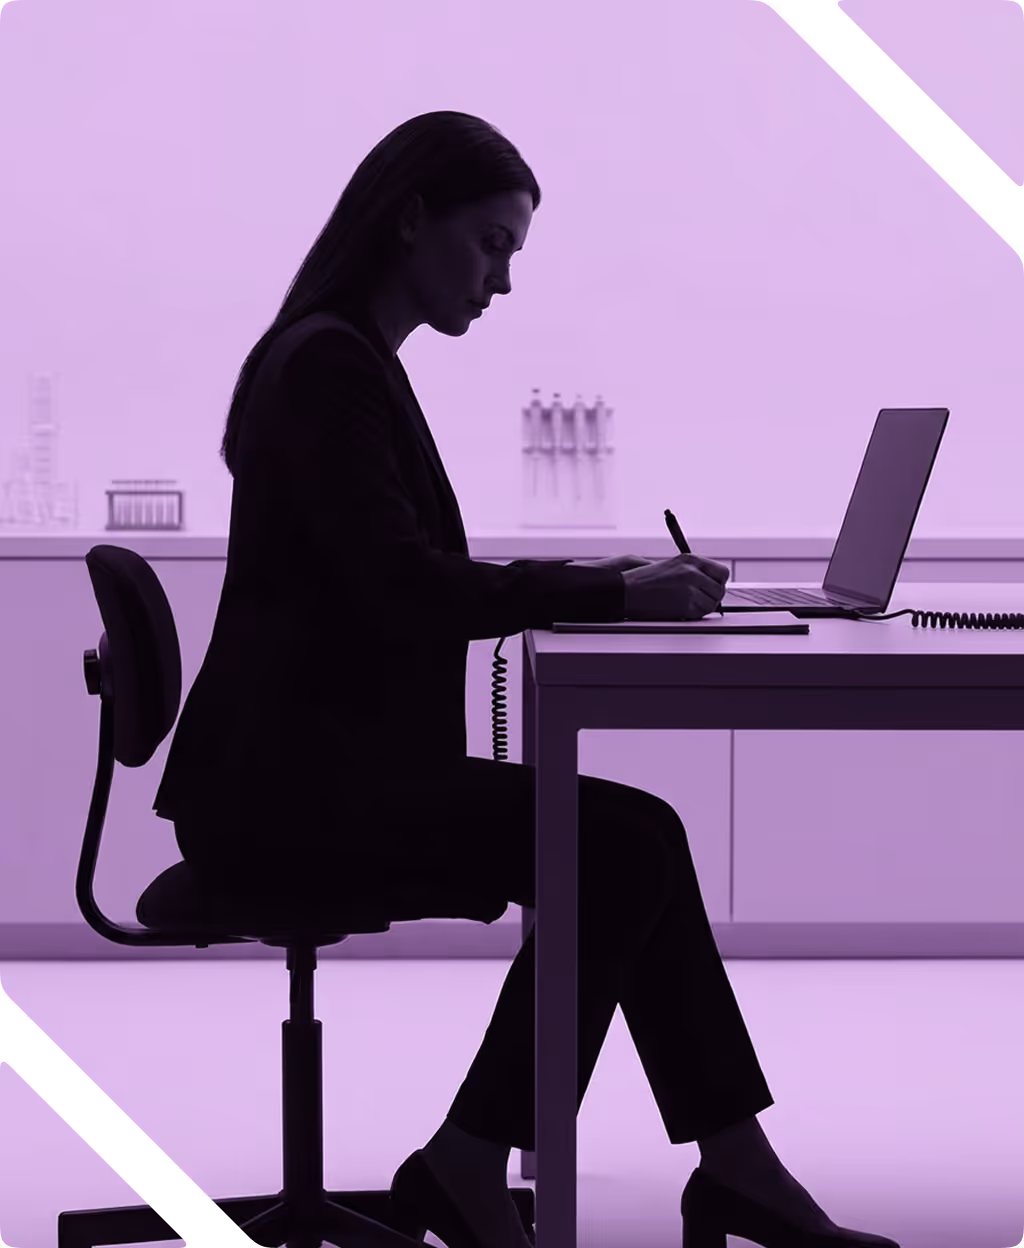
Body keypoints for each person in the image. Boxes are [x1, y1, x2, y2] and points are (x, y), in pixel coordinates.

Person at [154, 111, 899, 1248]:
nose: (500, 282)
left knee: (628, 838)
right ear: (411, 221)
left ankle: (681, 1165)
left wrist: (608, 590)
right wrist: (611, 592)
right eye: (490, 245)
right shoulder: (328, 370)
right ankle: (506, 1161)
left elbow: (402, 578)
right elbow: (403, 586)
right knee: (623, 843)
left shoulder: (345, 356)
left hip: (318, 771)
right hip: (292, 795)